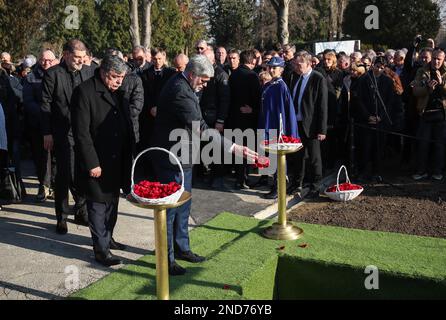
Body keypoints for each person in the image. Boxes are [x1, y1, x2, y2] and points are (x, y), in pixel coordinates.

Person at [150, 55, 257, 275]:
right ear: (192, 74)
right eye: (204, 80)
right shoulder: (180, 90)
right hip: (172, 158)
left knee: (184, 205)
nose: (206, 85)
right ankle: (166, 258)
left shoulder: (187, 86)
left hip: (185, 155)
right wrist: (234, 148)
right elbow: (201, 128)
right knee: (170, 210)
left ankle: (182, 248)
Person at [71, 55, 133, 267]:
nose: (119, 82)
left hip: (117, 160)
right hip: (97, 161)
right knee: (98, 206)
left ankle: (109, 238)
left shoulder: (119, 93)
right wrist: (91, 163)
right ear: (104, 72)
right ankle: (101, 250)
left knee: (112, 204)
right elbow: (81, 133)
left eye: (122, 78)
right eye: (116, 77)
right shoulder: (84, 92)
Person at [41, 39, 95, 234]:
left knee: (83, 171)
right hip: (62, 132)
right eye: (77, 58)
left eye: (83, 57)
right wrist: (47, 132)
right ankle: (61, 217)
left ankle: (80, 211)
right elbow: (45, 105)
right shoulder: (53, 75)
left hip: (85, 132)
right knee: (65, 174)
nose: (81, 61)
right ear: (66, 55)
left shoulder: (89, 72)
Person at [287, 51, 328, 198]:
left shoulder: (317, 78)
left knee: (314, 158)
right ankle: (297, 183)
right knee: (298, 157)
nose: (297, 67)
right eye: (295, 64)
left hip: (311, 126)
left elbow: (322, 105)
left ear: (309, 63)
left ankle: (315, 186)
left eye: (300, 64)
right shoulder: (295, 77)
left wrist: (322, 129)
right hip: (296, 124)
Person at [258, 56, 298, 199]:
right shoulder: (270, 85)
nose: (272, 69)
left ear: (281, 70)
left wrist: (283, 131)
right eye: (270, 67)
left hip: (276, 128)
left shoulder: (281, 86)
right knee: (272, 158)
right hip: (268, 125)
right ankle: (274, 184)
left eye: (275, 67)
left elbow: (284, 111)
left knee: (278, 158)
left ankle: (279, 187)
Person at [23, 49, 58, 202]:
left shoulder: (59, 74)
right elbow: (28, 101)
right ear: (39, 60)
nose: (47, 63)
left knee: (57, 157)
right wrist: (45, 113)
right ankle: (43, 185)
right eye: (44, 60)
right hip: (38, 124)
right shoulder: (31, 77)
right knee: (41, 157)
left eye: (50, 60)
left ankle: (56, 186)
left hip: (57, 125)